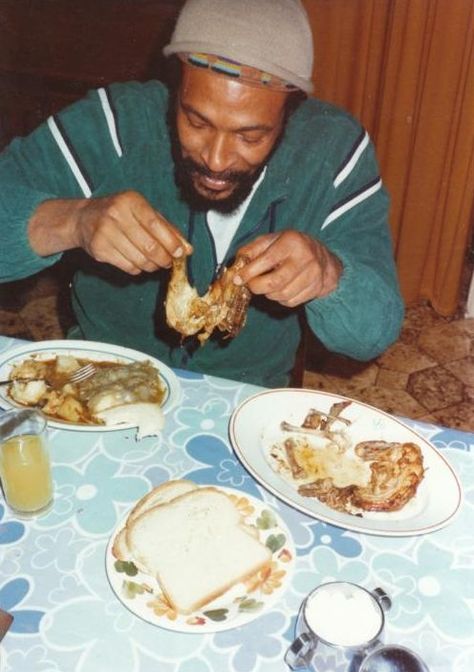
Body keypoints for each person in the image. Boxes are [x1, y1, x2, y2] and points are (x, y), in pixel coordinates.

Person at [0, 0, 404, 387]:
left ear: (291, 112)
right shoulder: (115, 123)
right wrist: (73, 221)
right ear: (177, 85)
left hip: (241, 403)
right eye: (196, 121)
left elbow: (373, 334)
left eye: (250, 136)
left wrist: (328, 275)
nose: (215, 159)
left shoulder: (334, 152)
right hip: (99, 382)